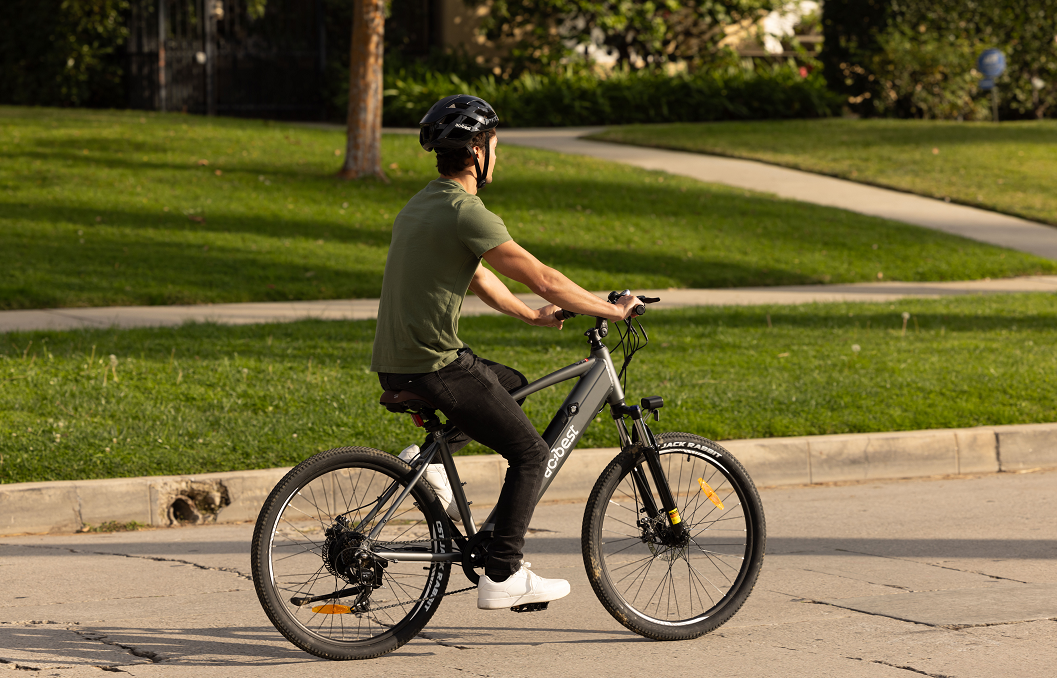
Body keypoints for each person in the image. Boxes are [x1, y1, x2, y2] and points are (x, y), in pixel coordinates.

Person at [370, 94, 640, 610]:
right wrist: (614, 311)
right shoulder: (464, 211)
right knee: (532, 452)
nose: (499, 153)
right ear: (477, 151)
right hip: (434, 362)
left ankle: (426, 467)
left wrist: (531, 315)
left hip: (398, 361)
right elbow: (544, 277)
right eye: (495, 143)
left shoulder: (421, 205)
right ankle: (502, 574)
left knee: (511, 383)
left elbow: (475, 274)